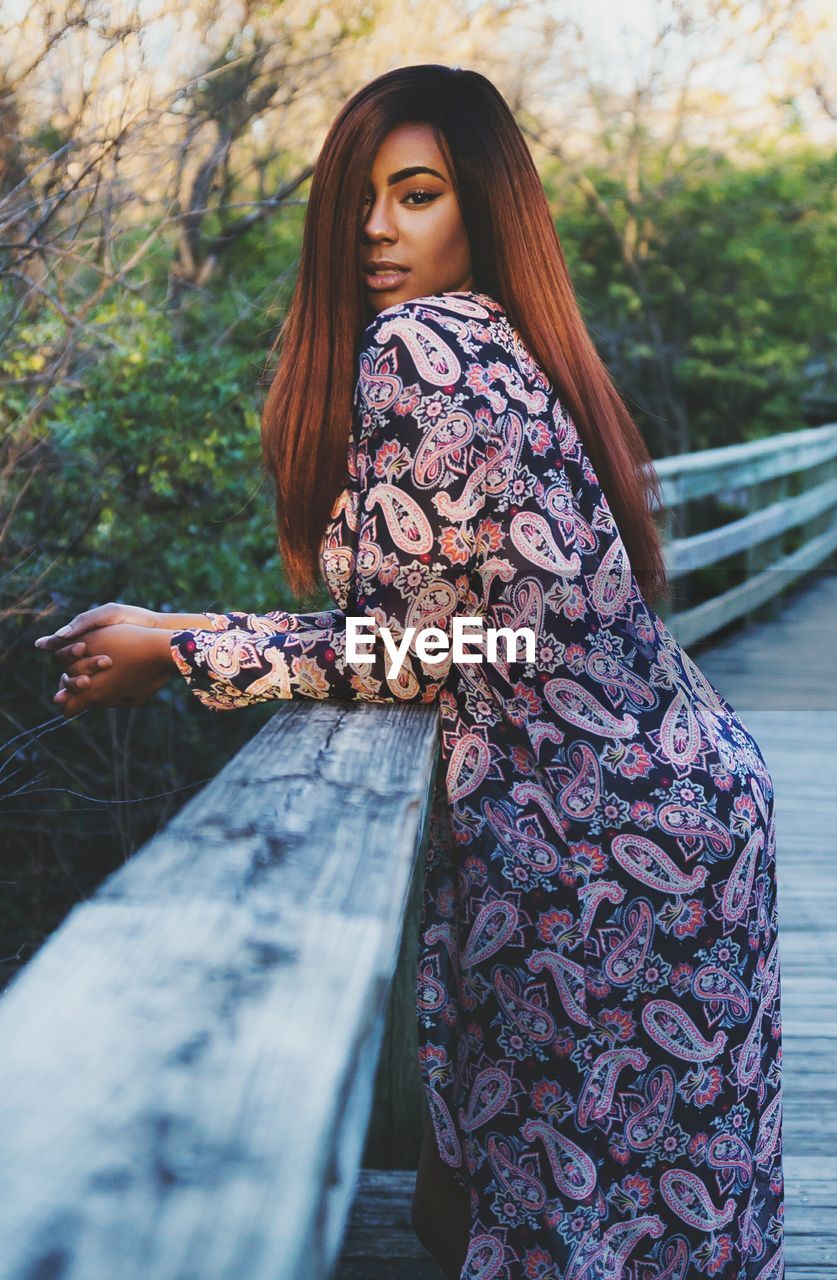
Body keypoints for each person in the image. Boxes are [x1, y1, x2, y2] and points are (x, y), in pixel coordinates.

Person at [34, 64, 784, 1280]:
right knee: (661, 1223)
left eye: (418, 193)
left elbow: (415, 648)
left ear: (480, 206)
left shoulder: (422, 344)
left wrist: (177, 654)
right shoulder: (510, 341)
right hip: (685, 807)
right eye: (359, 199)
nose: (378, 228)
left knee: (561, 1226)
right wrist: (178, 619)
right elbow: (450, 626)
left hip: (593, 854)